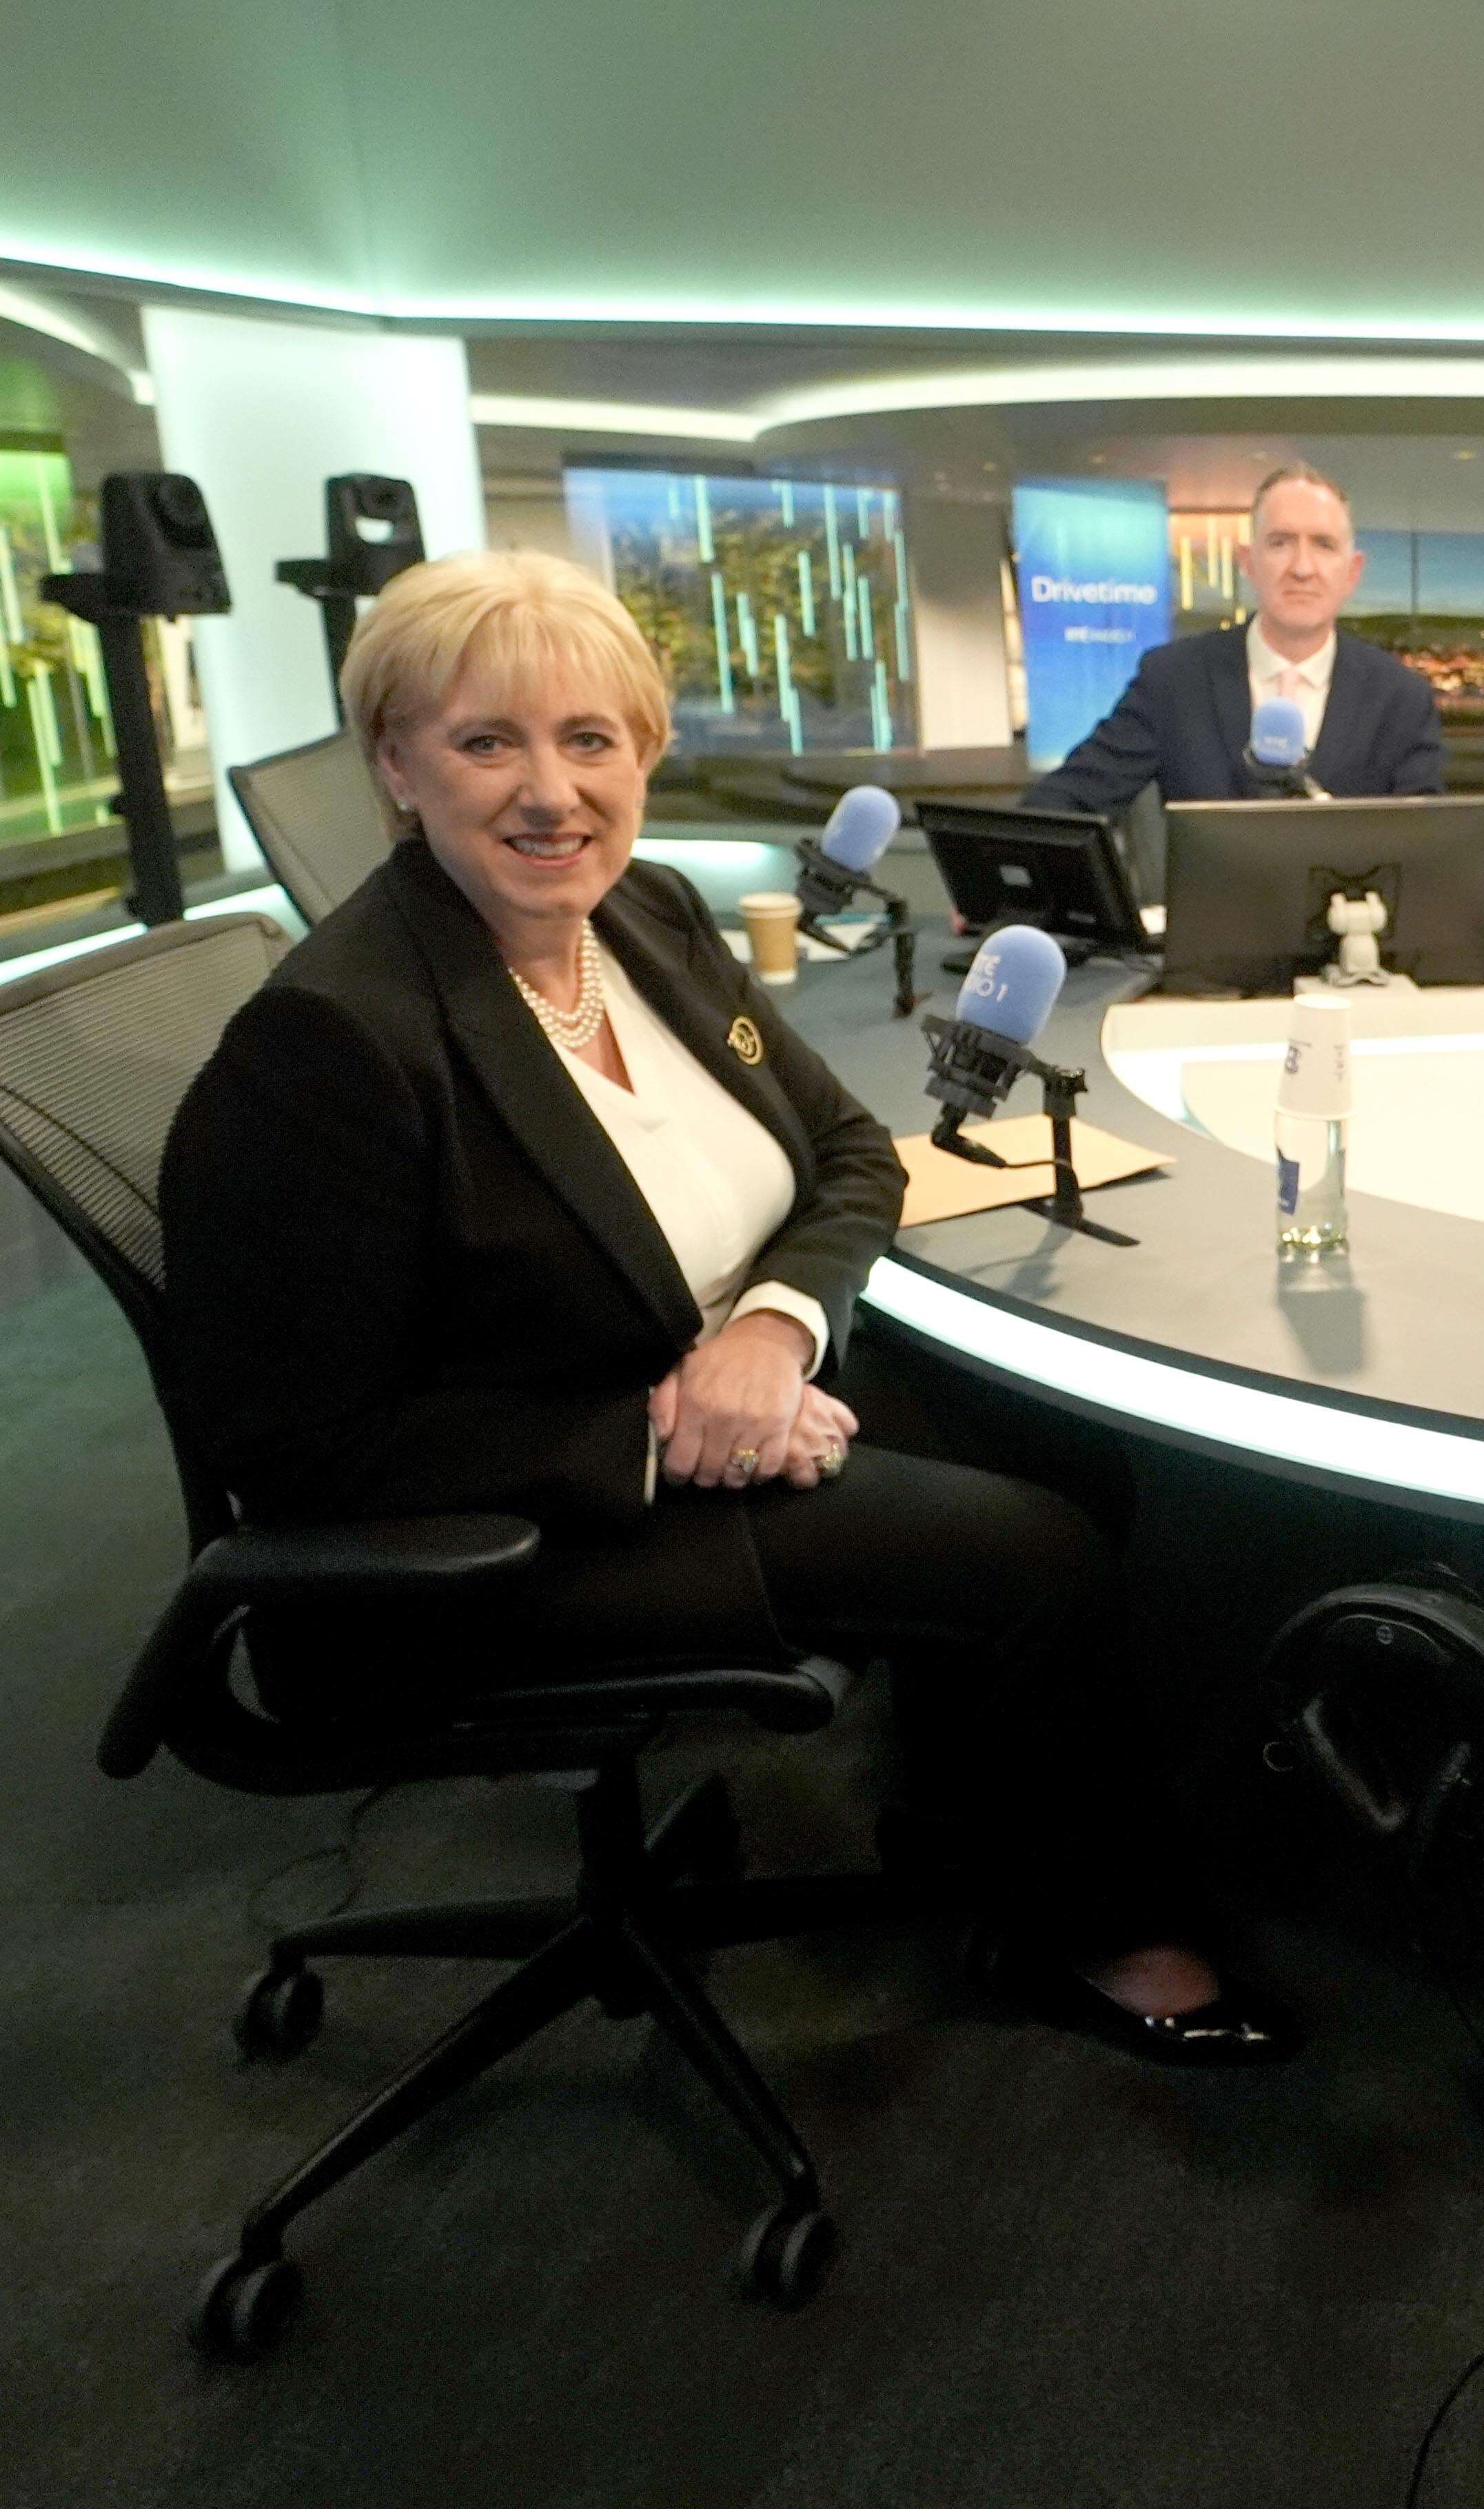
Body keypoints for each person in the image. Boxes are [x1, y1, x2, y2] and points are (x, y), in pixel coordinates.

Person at [160, 550, 1297, 2068]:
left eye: (591, 739)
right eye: (487, 741)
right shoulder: (333, 1046)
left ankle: (966, 1822)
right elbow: (292, 1443)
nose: (551, 791)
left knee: (1065, 1454)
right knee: (1032, 1550)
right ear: (394, 763)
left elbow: (841, 1152)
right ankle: (1095, 1926)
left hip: (711, 1371)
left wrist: (769, 1330)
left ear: (642, 756)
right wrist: (656, 1430)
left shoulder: (645, 919)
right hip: (516, 1518)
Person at [1020, 463, 1448, 816]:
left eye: (1323, 545)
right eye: (1280, 543)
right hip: (1208, 919)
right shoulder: (1173, 679)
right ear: (1248, 562)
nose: (1302, 568)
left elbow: (1429, 842)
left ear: (1352, 572)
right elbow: (1069, 800)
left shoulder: (1400, 698)